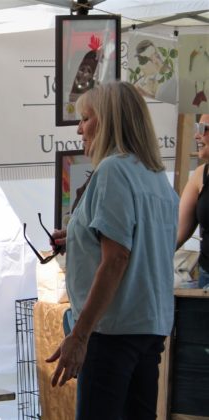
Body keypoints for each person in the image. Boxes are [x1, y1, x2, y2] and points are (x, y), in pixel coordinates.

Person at [46, 81, 179, 420]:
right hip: (148, 328)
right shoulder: (154, 176)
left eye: (86, 118)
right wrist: (77, 238)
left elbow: (117, 258)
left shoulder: (113, 170)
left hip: (112, 333)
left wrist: (80, 335)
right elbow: (138, 246)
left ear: (108, 121)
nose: (79, 128)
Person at [177, 114, 209, 288]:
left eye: (203, 129)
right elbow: (177, 232)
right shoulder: (200, 174)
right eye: (197, 128)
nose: (196, 135)